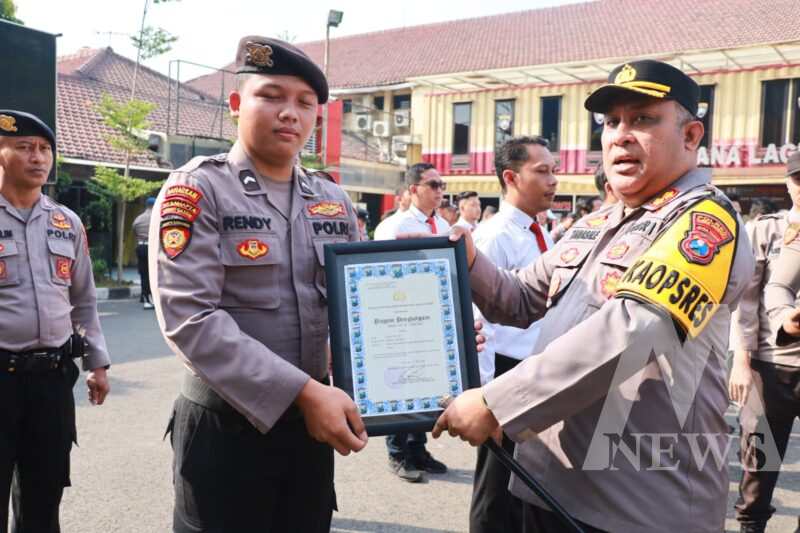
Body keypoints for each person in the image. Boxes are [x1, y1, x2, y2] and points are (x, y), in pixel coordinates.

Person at [433, 59, 755, 532]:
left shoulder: (704, 221)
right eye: (611, 122)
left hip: (636, 504)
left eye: (643, 119)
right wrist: (468, 261)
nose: (621, 135)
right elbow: (519, 298)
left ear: (690, 136)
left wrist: (496, 402)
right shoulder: (595, 224)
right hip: (551, 483)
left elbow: (633, 331)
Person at [149, 37, 368, 532]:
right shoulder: (197, 189)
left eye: (304, 103)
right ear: (236, 105)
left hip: (310, 432)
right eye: (271, 96)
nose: (289, 113)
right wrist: (307, 392)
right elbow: (190, 320)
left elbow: (357, 305)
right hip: (226, 429)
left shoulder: (332, 198)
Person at [0, 109, 111, 532]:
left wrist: (97, 363)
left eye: (45, 149)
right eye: (25, 147)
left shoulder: (67, 223)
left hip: (50, 381)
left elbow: (83, 301)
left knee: (44, 497)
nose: (38, 157)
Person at [469, 135, 557, 533]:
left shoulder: (543, 232)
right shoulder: (494, 237)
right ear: (511, 177)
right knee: (495, 489)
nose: (553, 180)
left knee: (525, 484)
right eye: (542, 171)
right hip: (505, 372)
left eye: (554, 170)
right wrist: (488, 396)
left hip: (535, 370)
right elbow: (480, 322)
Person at [729, 150, 800, 533]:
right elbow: (746, 302)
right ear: (788, 183)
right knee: (758, 470)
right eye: (799, 180)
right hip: (769, 370)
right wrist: (742, 361)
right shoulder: (765, 230)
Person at [374, 161, 450, 482]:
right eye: (433, 185)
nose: (440, 191)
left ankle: (418, 448)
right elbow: (380, 273)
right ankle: (397, 452)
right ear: (413, 189)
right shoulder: (393, 227)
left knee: (427, 384)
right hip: (401, 315)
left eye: (442, 185)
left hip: (432, 317)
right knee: (400, 383)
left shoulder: (444, 227)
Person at [132, 197, 155, 309]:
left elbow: (134, 231)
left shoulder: (138, 219)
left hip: (141, 246)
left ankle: (143, 295)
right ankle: (149, 298)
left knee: (143, 273)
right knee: (152, 274)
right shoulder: (156, 218)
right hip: (152, 248)